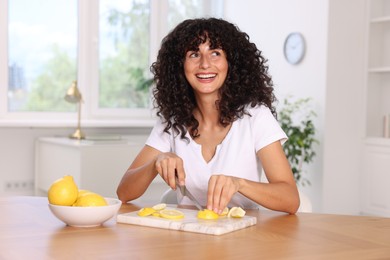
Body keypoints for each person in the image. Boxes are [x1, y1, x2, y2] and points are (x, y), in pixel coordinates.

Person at [117, 17, 300, 214]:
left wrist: (240, 184)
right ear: (180, 65)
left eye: (215, 53)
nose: (205, 64)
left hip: (244, 239)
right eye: (194, 54)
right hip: (186, 238)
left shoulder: (256, 116)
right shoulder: (172, 121)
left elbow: (290, 199)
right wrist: (155, 163)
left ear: (231, 62)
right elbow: (124, 193)